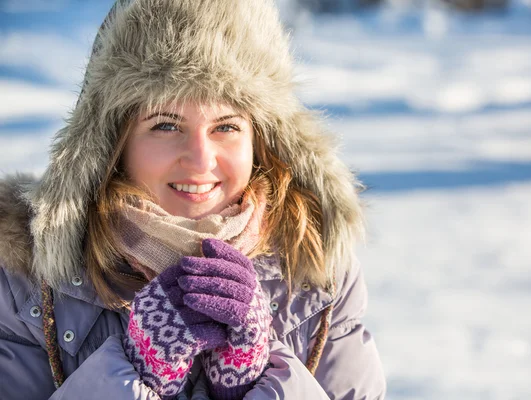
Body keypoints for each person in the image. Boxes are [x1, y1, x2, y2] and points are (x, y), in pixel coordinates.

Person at [0, 0, 386, 398]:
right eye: (166, 125)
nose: (201, 158)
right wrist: (135, 374)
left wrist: (255, 382)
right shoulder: (26, 280)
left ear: (260, 139)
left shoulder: (319, 271)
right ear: (113, 143)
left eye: (226, 126)